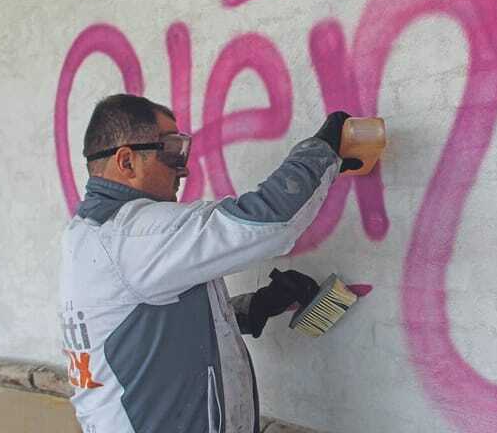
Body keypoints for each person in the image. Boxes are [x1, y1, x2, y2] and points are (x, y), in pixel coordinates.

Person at [58, 94, 361, 433]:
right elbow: (270, 221)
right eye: (173, 150)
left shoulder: (91, 232)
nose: (184, 168)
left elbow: (150, 329)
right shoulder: (131, 236)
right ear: (126, 162)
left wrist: (254, 307)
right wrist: (324, 149)